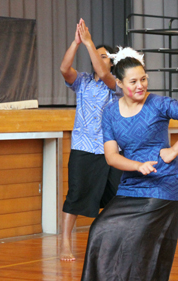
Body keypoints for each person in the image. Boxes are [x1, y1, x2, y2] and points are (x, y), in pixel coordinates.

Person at [77, 47, 178, 281]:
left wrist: (174, 151)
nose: (140, 86)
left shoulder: (159, 104)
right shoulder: (111, 113)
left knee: (144, 239)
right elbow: (112, 156)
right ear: (121, 84)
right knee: (101, 231)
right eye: (134, 82)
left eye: (144, 79)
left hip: (165, 186)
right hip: (131, 186)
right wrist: (137, 166)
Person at [59, 19, 123, 261]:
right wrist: (77, 43)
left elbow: (105, 73)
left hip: (110, 150)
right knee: (75, 195)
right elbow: (65, 69)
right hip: (83, 148)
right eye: (97, 55)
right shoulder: (83, 81)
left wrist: (90, 43)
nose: (100, 58)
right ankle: (65, 242)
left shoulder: (116, 85)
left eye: (104, 55)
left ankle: (113, 240)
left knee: (117, 197)